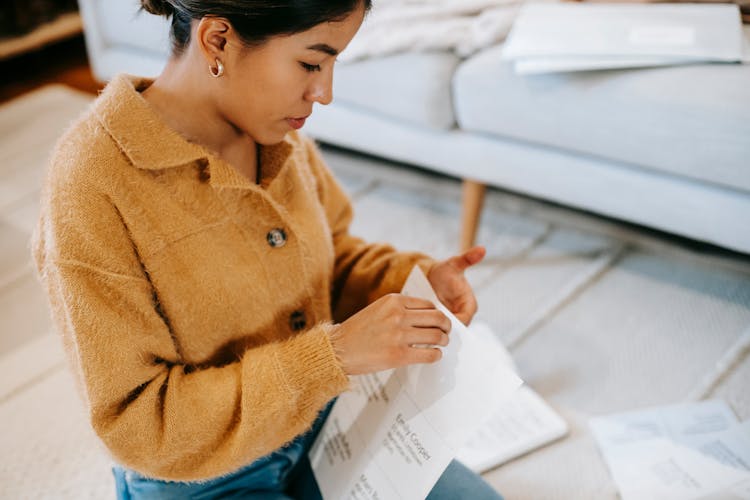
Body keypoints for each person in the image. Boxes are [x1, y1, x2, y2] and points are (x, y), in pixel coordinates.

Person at [32, 0, 500, 498]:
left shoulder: (276, 137)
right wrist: (333, 357)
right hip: (203, 478)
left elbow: (329, 264)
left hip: (323, 424)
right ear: (218, 41)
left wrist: (416, 282)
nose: (325, 93)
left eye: (333, 64)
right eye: (311, 63)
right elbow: (141, 425)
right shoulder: (90, 186)